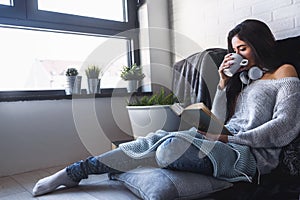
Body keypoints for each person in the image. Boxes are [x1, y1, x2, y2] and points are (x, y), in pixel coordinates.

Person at [32, 19, 300, 197]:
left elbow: (285, 127)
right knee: (157, 139)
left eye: (243, 48)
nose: (238, 56)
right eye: (235, 50)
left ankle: (118, 164)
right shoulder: (243, 81)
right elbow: (219, 119)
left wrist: (228, 137)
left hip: (248, 156)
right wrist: (222, 83)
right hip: (222, 140)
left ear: (261, 44)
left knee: (169, 147)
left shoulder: (284, 72)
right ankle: (75, 171)